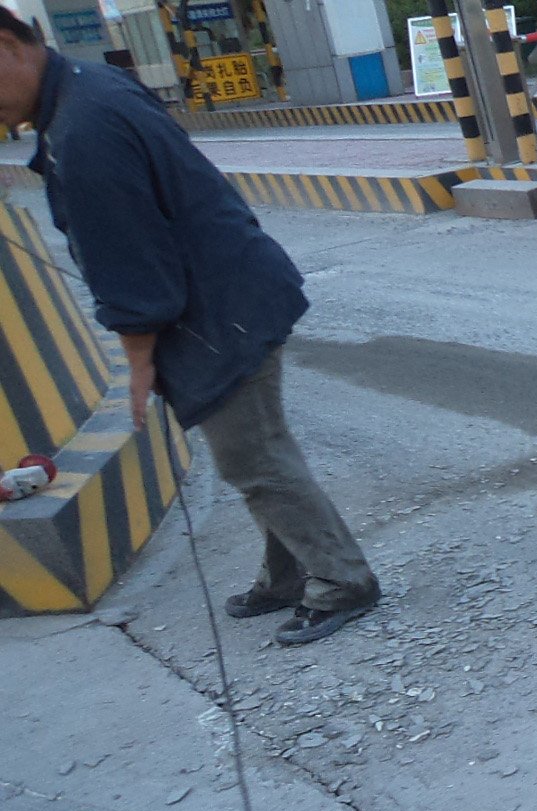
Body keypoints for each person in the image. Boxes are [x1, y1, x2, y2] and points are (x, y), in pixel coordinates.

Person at [0, 11, 380, 643]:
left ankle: (343, 579)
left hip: (214, 310)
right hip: (231, 291)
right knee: (258, 446)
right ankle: (288, 575)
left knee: (253, 458)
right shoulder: (91, 90)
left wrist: (139, 359)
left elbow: (130, 262)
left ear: (8, 48)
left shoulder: (83, 127)